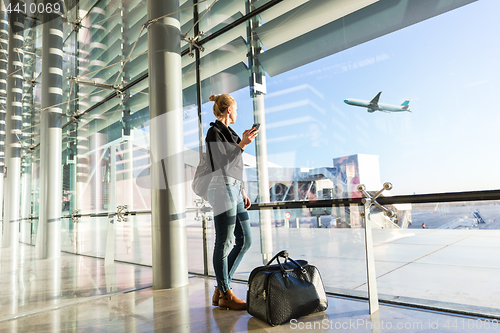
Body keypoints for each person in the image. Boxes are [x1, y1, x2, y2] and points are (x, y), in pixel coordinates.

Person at [205, 94, 258, 310]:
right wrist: (243, 145)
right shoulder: (214, 132)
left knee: (245, 239)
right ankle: (225, 293)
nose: (237, 113)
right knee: (225, 241)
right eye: (235, 110)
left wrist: (242, 189)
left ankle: (221, 287)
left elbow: (235, 165)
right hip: (221, 187)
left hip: (235, 189)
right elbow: (221, 164)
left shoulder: (231, 134)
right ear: (228, 110)